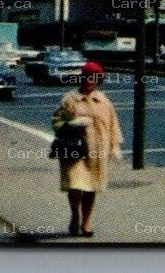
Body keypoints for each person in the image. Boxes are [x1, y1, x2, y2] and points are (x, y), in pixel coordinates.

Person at [52, 61, 123, 238]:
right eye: (87, 78)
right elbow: (56, 122)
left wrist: (114, 146)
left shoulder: (104, 101)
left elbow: (113, 125)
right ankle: (75, 215)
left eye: (94, 78)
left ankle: (86, 222)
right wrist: (72, 124)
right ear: (81, 78)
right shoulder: (70, 100)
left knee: (91, 186)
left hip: (97, 150)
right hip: (74, 150)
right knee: (75, 184)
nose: (90, 81)